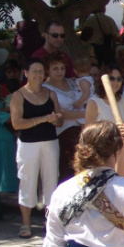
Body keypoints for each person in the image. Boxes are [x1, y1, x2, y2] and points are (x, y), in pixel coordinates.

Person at [10, 59, 63, 238]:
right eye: (35, 71)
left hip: (50, 142)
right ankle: (26, 223)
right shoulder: (18, 96)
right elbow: (16, 124)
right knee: (27, 181)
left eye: (41, 71)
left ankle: (50, 222)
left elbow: (60, 120)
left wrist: (55, 119)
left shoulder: (51, 94)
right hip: (28, 145)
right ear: (26, 73)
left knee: (51, 181)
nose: (38, 75)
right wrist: (43, 119)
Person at [43, 53, 85, 182]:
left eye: (62, 68)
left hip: (82, 130)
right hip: (62, 133)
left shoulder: (72, 82)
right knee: (67, 169)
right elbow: (60, 112)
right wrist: (86, 113)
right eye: (55, 68)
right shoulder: (45, 89)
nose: (59, 72)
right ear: (47, 70)